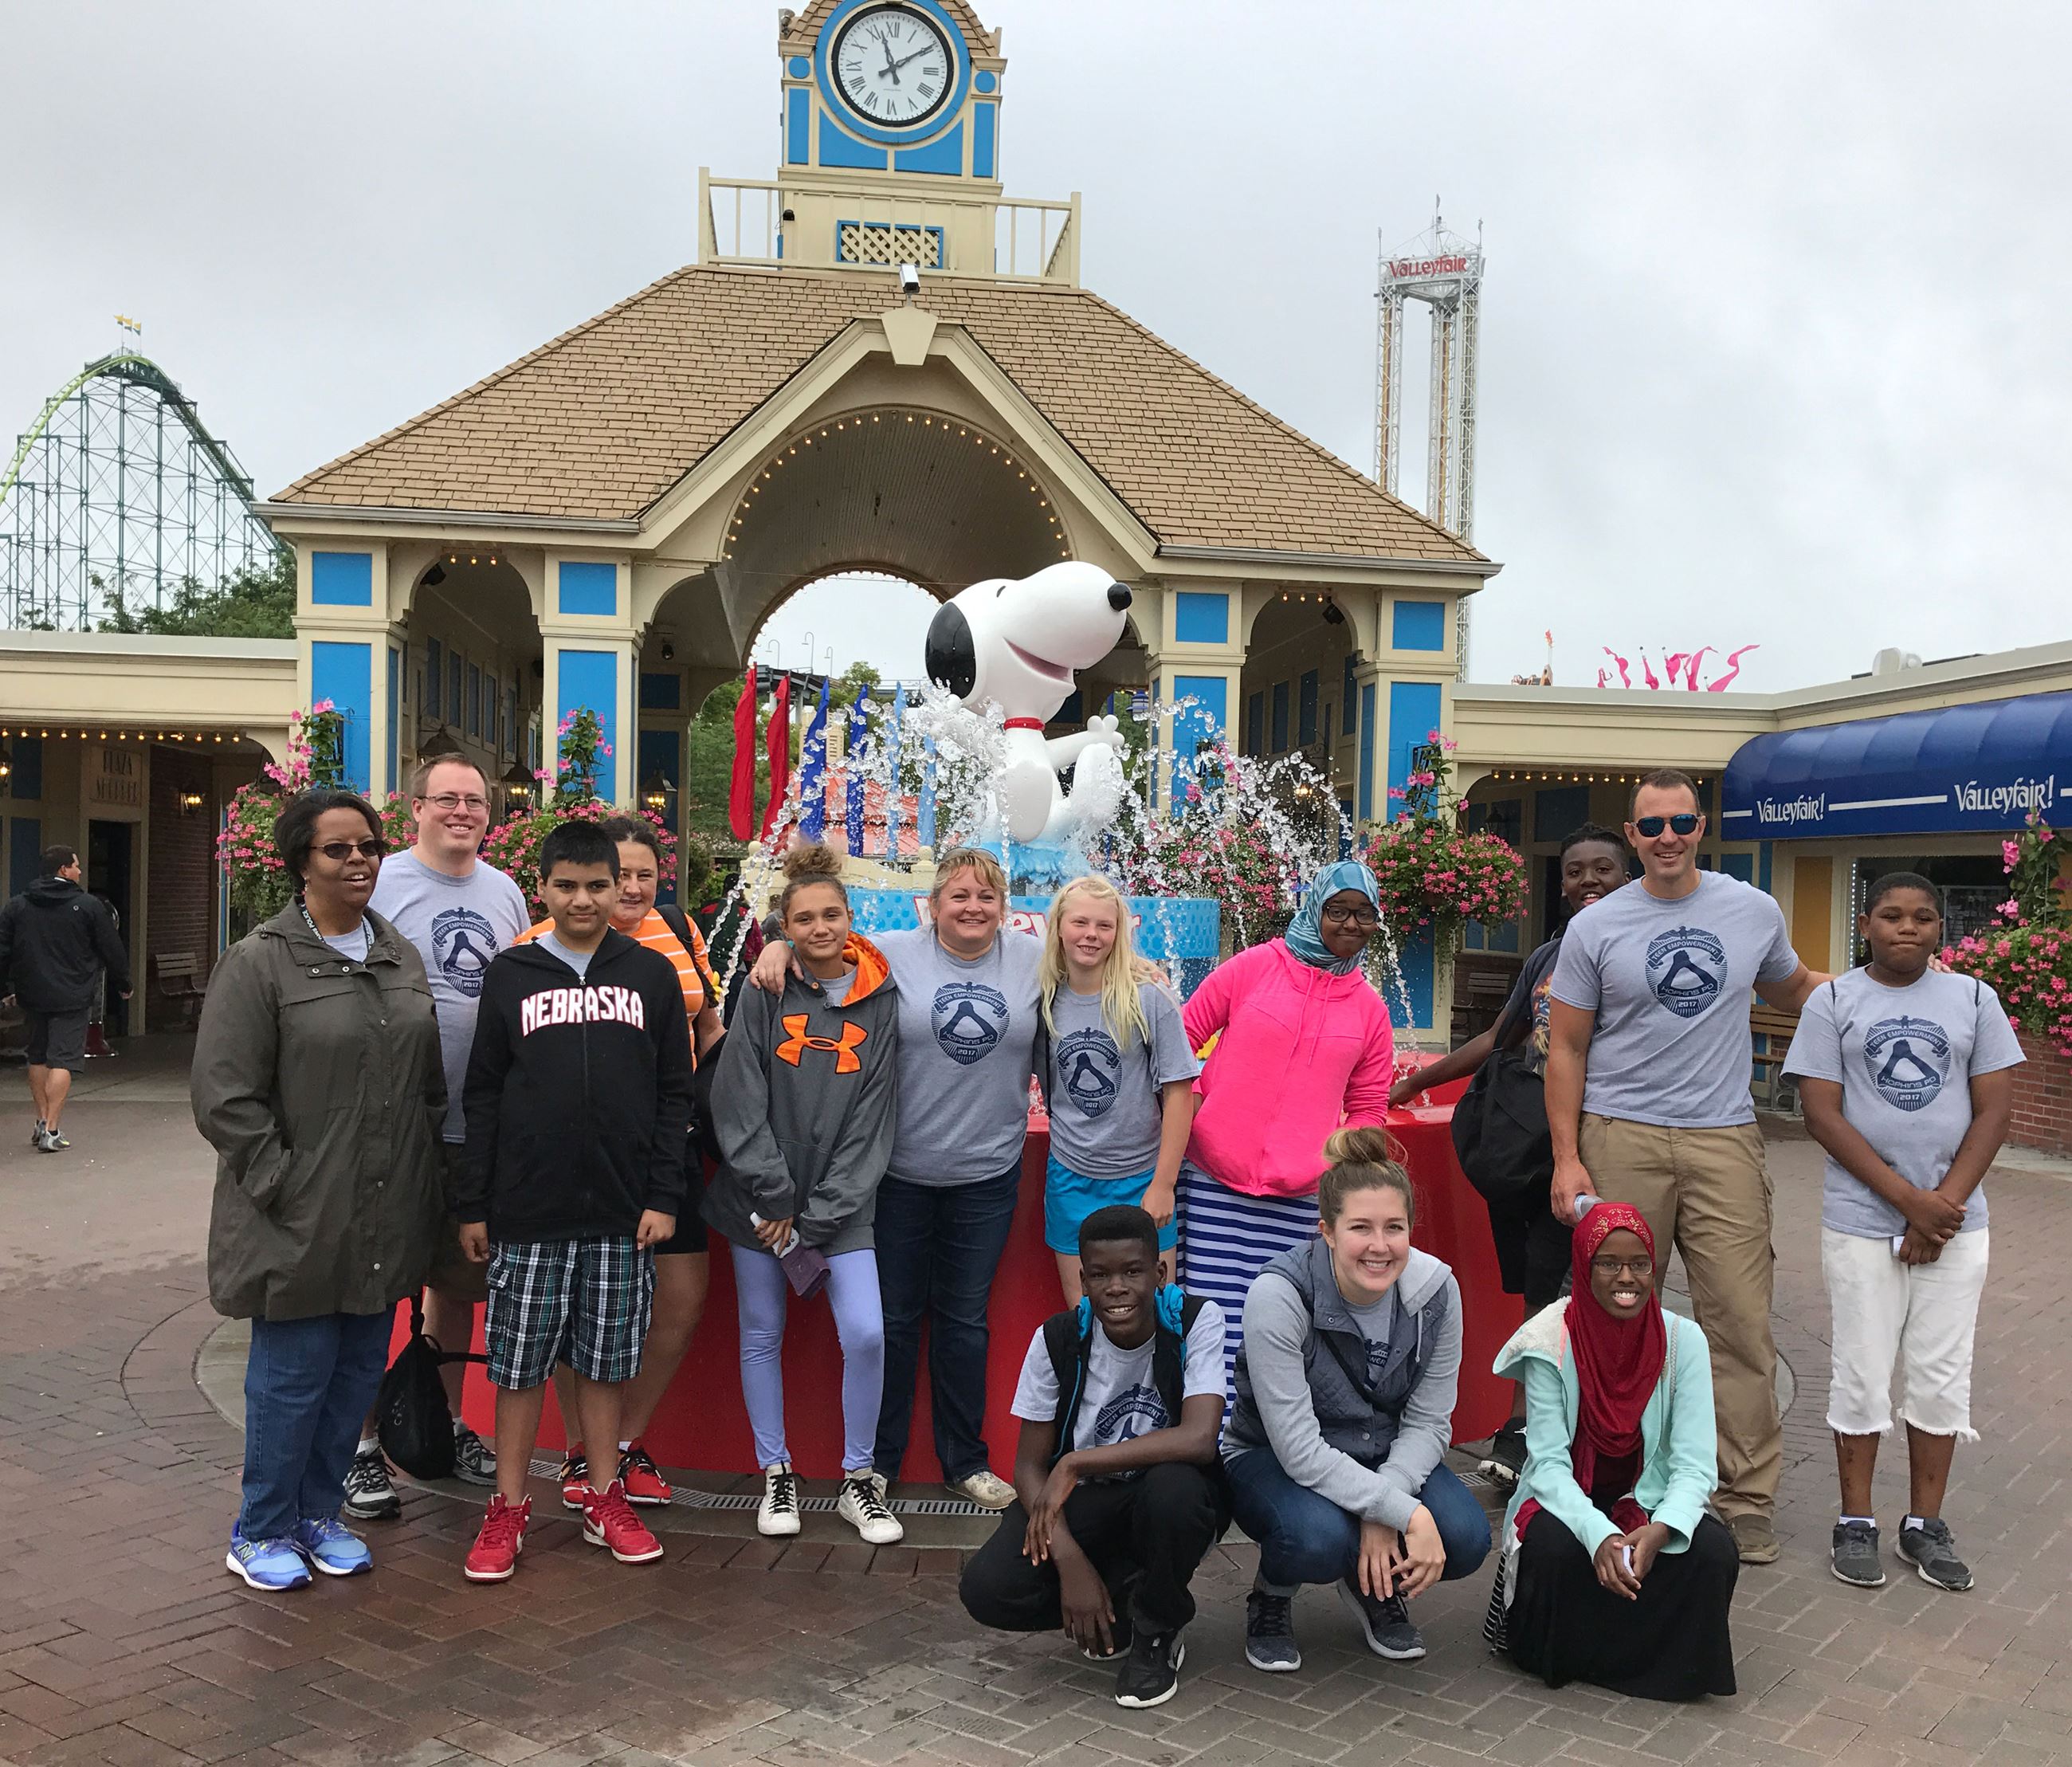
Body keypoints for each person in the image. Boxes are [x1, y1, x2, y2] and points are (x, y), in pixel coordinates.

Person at [1545, 768, 1827, 1565]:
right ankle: (1609, 1482)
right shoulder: (1597, 928)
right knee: (1614, 1316)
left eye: (1680, 822)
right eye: (1649, 826)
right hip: (1618, 1135)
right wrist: (1566, 1158)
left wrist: (1897, 989)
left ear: (1701, 827)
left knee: (1736, 1321)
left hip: (1721, 1138)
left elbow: (1797, 985)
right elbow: (1564, 1046)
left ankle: (1741, 1499)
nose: (1665, 837)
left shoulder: (1750, 910)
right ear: (1630, 836)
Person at [192, 790, 445, 1591]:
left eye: (368, 846)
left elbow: (426, 1089)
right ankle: (261, 1526)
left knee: (353, 1377)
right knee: (292, 1377)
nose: (359, 861)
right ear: (302, 862)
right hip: (296, 1215)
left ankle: (317, 1515)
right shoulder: (260, 961)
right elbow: (225, 1097)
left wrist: (426, 1182)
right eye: (338, 849)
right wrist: (284, 1185)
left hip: (383, 1209)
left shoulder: (397, 955)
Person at [749, 844, 1039, 1509]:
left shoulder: (1032, 958)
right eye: (959, 896)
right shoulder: (886, 954)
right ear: (932, 904)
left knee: (966, 1322)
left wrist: (1141, 972)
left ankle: (964, 1459)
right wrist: (772, 945)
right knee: (896, 1321)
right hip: (898, 1171)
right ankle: (873, 1466)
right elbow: (815, 936)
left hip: (987, 1174)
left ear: (1004, 907)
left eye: (986, 896)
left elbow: (1093, 968)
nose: (972, 907)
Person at [453, 819, 693, 1581]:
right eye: (569, 885)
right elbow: (483, 1092)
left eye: (600, 884)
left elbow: (672, 1094)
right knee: (520, 1368)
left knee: (604, 1362)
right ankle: (509, 1506)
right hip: (528, 1208)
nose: (586, 899)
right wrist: (475, 1204)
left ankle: (600, 1491)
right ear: (544, 888)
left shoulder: (650, 973)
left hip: (623, 1212)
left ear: (621, 885)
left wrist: (663, 1194)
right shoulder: (512, 971)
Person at [1783, 873, 2022, 1593]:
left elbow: (1994, 1112)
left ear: (1940, 929)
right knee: (1860, 1368)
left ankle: (1925, 1524)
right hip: (1862, 1221)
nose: (1907, 927)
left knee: (1942, 1373)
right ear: (1866, 924)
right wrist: (1908, 1202)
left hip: (1955, 1225)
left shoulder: (1975, 998)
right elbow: (1822, 1115)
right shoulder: (1832, 1002)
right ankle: (1856, 1521)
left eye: (1923, 917)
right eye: (1891, 915)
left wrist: (1941, 1205)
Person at [1387, 823, 1632, 1486]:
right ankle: (1529, 1425)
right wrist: (1417, 1080)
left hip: (1594, 1143)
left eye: (1603, 869)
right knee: (1533, 1287)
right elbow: (1503, 1036)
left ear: (1629, 875)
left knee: (1568, 1288)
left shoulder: (1640, 954)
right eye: (1575, 869)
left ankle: (1541, 1429)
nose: (1587, 881)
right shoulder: (1549, 956)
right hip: (1525, 1147)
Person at [1222, 1126, 1489, 1672]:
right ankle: (1271, 1594)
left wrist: (1385, 1505)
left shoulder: (1438, 1290)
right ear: (1326, 1230)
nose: (1379, 1245)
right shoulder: (1277, 1295)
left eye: (1395, 1227)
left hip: (1381, 1449)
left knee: (1465, 1537)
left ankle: (1372, 1582)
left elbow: (1431, 1421)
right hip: (1271, 1455)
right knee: (1317, 1538)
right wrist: (1402, 1510)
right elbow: (1296, 1448)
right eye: (1360, 1227)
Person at [703, 843, 905, 1545]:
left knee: (868, 1332)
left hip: (840, 1210)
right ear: (786, 927)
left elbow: (874, 1117)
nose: (821, 928)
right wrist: (775, 1195)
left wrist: (815, 1215)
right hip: (758, 1206)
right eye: (805, 919)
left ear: (851, 917)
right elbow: (737, 1096)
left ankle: (858, 1478)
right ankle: (775, 1469)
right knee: (762, 1332)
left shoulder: (882, 1000)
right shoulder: (764, 989)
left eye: (832, 915)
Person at [959, 1204, 1229, 1710]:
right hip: (1090, 1505)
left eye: (1132, 1271)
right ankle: (1125, 1602)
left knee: (1175, 1491)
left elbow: (1198, 1439)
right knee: (989, 1589)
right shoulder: (1057, 1339)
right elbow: (1028, 1468)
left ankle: (1157, 1631)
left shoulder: (1195, 1320)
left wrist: (1078, 1462)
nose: (1117, 1288)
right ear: (1082, 1281)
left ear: (1160, 1273)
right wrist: (1070, 1564)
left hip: (1169, 1495)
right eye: (1100, 1275)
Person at [359, 756, 530, 1517]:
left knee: (456, 1289)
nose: (462, 810)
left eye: (475, 801)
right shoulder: (382, 881)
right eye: (447, 799)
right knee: (379, 1286)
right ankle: (363, 1446)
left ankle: (448, 1422)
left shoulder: (504, 891)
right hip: (398, 1125)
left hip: (475, 1126)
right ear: (416, 807)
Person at [538, 816, 724, 1510]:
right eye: (624, 874)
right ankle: (584, 1454)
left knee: (680, 1297)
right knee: (574, 1304)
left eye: (645, 874)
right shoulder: (543, 947)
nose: (634, 887)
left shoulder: (677, 933)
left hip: (667, 1141)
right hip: (580, 1151)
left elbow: (708, 1022)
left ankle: (621, 1441)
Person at [1483, 1203, 1739, 1702]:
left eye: (1640, 1264)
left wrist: (1661, 1529)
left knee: (1712, 1553)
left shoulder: (1683, 1342)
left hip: (1646, 1500)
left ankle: (1662, 1667)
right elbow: (1550, 1466)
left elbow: (1693, 1463)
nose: (1627, 1278)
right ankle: (1566, 1656)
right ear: (1583, 1265)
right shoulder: (1550, 1339)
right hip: (1570, 1497)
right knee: (1555, 1551)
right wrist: (1601, 1534)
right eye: (1608, 1263)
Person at [1178, 860, 1395, 1384]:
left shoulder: (1370, 1010)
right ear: (1313, 907)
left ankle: (1262, 1447)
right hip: (1212, 1185)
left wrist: (1339, 1173)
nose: (1351, 924)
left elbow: (1368, 1108)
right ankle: (1203, 1441)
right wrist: (1196, 1112)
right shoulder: (1253, 966)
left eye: (1364, 914)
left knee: (1278, 1328)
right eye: (1338, 910)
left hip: (1299, 1202)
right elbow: (1180, 1039)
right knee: (1208, 1323)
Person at [1037, 876, 1199, 1302]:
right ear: (1057, 927)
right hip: (1070, 1177)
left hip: (1142, 1178)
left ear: (1119, 934)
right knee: (1085, 1312)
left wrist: (1163, 1183)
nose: (1091, 935)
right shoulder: (1042, 998)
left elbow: (1180, 1094)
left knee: (1158, 1309)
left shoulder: (1148, 999)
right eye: (1080, 923)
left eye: (1104, 926)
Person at [0, 844, 132, 1152]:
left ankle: (40, 1120)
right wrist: (123, 980)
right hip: (72, 994)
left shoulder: (17, 906)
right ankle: (52, 1130)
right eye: (75, 866)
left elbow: (3, 949)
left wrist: (5, 988)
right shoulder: (87, 906)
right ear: (63, 870)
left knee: (38, 1056)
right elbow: (110, 947)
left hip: (32, 992)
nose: (80, 871)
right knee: (62, 1059)